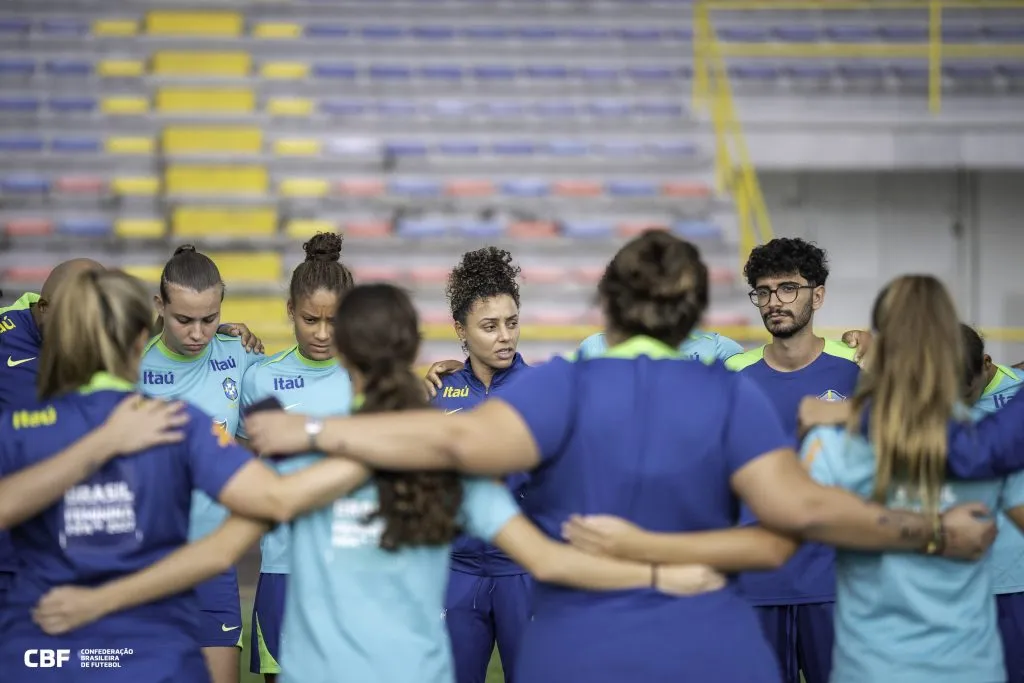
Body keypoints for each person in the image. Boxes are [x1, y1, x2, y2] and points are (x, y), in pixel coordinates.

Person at [242, 230, 996, 683]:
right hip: (712, 649)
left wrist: (315, 433)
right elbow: (788, 524)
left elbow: (454, 440)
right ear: (696, 313)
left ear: (607, 303)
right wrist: (930, 531)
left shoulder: (560, 388)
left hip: (581, 652)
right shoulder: (729, 393)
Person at [31, 283, 726, 683]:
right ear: (413, 351)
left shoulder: (300, 459)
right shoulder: (448, 464)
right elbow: (550, 558)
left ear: (350, 358)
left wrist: (100, 601)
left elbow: (215, 554)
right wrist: (663, 574)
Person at [0, 269, 382, 682]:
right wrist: (369, 448)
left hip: (40, 641)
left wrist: (97, 446)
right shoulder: (181, 425)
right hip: (149, 642)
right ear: (139, 340)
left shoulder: (20, 425)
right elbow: (273, 501)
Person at [798, 277, 1024, 683]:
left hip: (871, 668)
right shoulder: (994, 442)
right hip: (970, 668)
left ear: (878, 349)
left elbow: (792, 531)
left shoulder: (830, 442)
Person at [725, 237, 858, 683]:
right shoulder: (734, 377)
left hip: (835, 583)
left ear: (817, 295)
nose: (773, 302)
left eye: (788, 288)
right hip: (755, 583)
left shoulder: (856, 370)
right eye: (763, 292)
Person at [138, 245, 265, 683]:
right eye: (183, 319)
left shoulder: (239, 355)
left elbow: (266, 441)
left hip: (213, 558)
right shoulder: (130, 366)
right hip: (142, 560)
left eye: (209, 319)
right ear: (160, 306)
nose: (197, 332)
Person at [235, 233, 355, 683]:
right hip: (283, 567)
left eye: (334, 321)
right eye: (310, 319)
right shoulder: (259, 378)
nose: (322, 333)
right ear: (290, 311)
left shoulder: (369, 379)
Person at [426, 247, 533, 683]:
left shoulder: (545, 390)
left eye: (511, 323)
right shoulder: (437, 390)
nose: (505, 336)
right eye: (489, 326)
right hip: (457, 570)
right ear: (461, 330)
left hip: (523, 572)